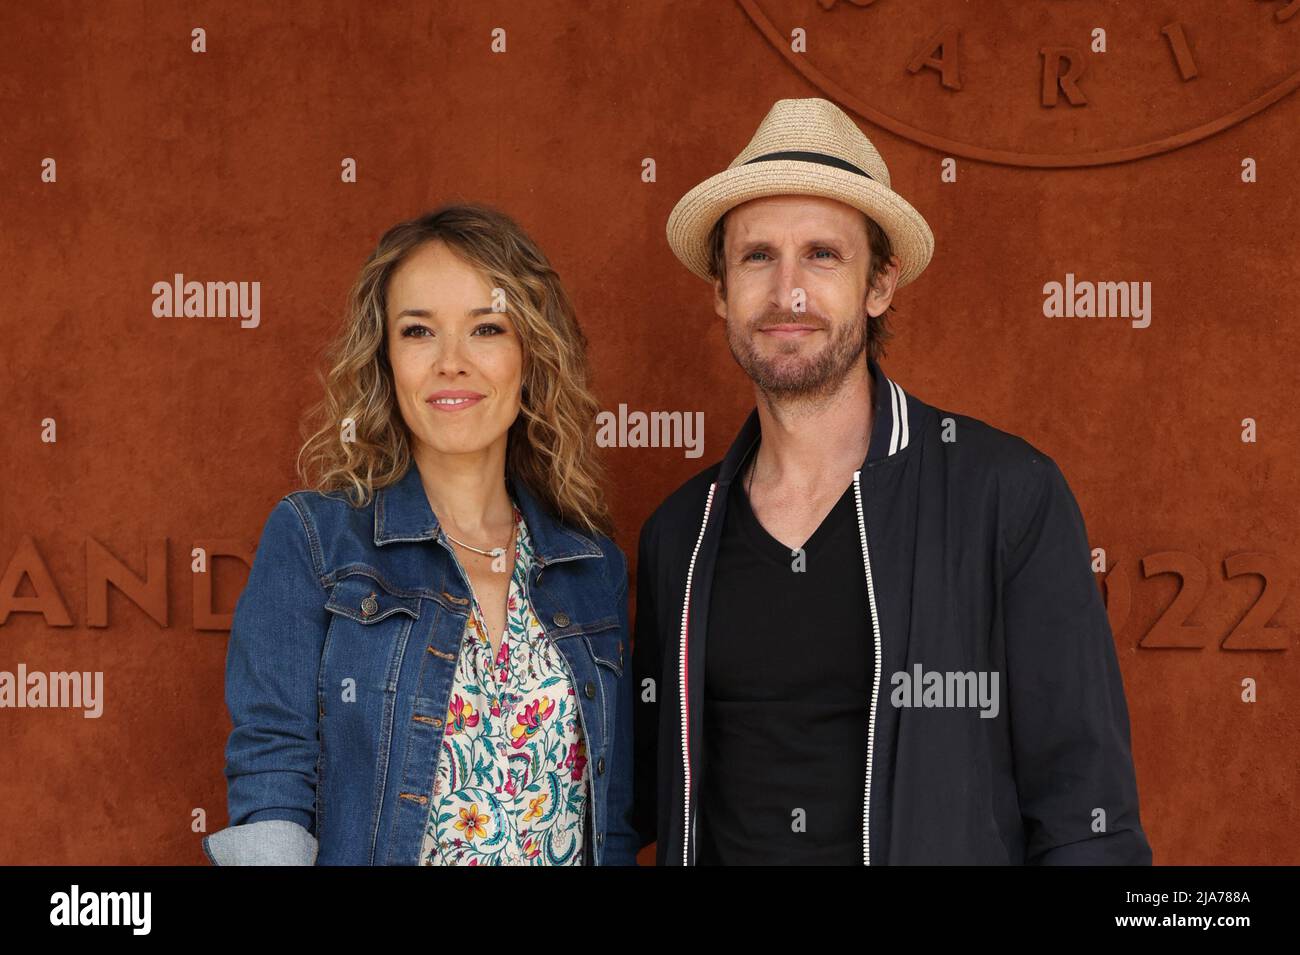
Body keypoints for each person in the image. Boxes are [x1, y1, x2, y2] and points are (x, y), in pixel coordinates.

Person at [632, 97, 1152, 865]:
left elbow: (1088, 822)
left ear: (879, 284)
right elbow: (631, 801)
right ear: (720, 291)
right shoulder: (679, 533)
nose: (788, 292)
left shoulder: (1007, 497)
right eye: (757, 256)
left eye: (822, 254)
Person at [202, 203, 636, 865]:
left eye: (486, 328)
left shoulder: (590, 564)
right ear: (385, 359)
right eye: (418, 331)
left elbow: (614, 818)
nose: (451, 362)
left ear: (530, 355)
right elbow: (273, 779)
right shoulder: (317, 541)